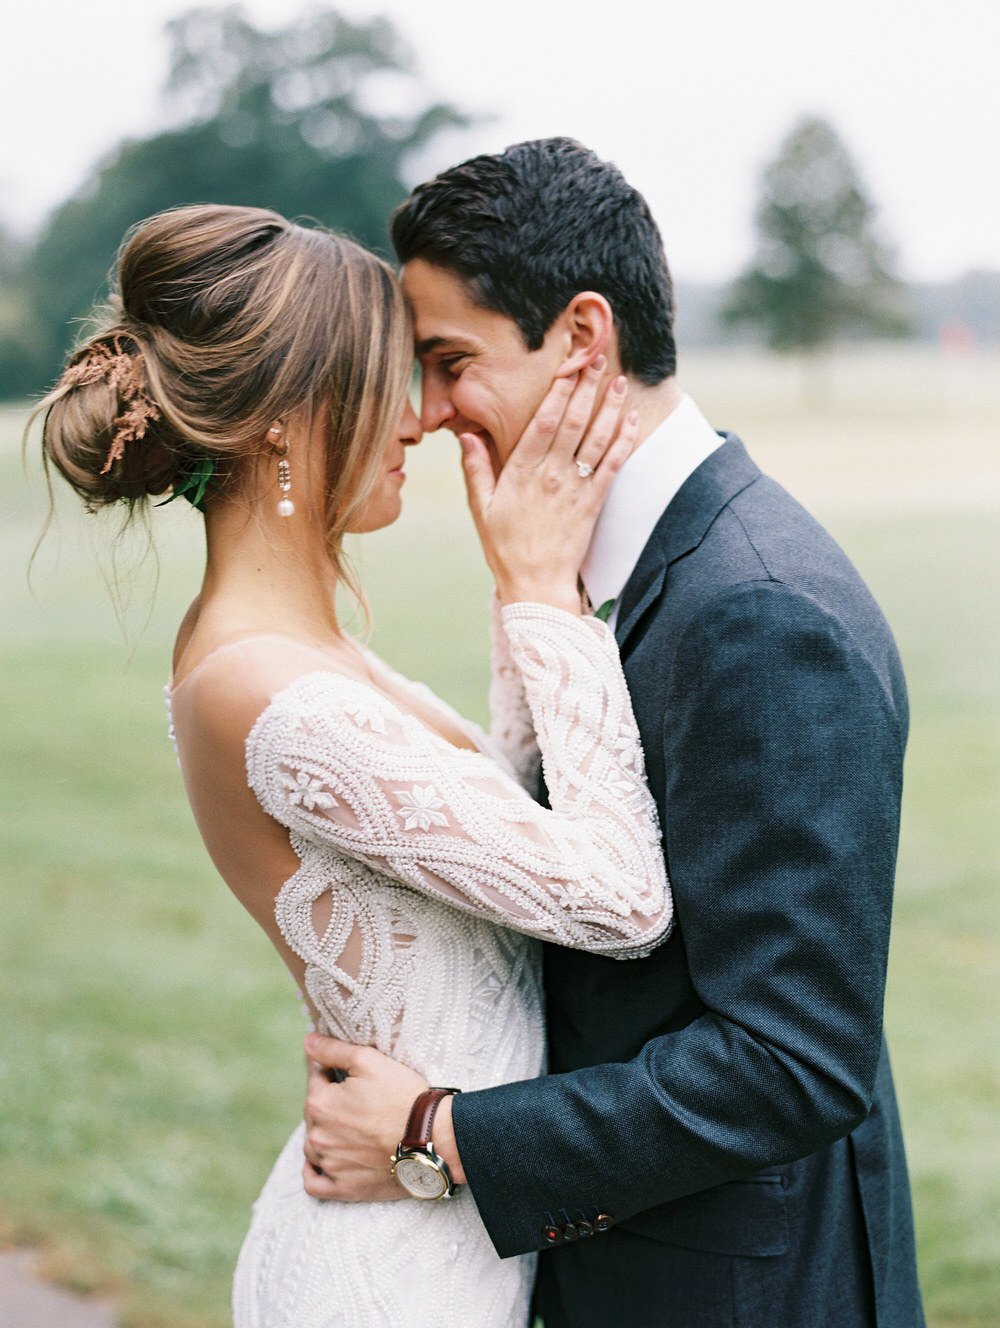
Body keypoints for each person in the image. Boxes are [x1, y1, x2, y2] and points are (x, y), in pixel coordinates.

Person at [300, 139, 926, 1327]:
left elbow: (791, 1059)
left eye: (450, 362)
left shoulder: (755, 613)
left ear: (584, 338)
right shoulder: (627, 571)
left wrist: (441, 1131)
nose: (427, 415)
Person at [33, 201, 677, 1328]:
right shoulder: (264, 689)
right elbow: (619, 897)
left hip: (433, 1221)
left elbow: (499, 822)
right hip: (389, 1280)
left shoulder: (303, 653)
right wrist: (537, 595)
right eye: (397, 377)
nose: (425, 418)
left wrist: (520, 577)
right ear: (289, 416)